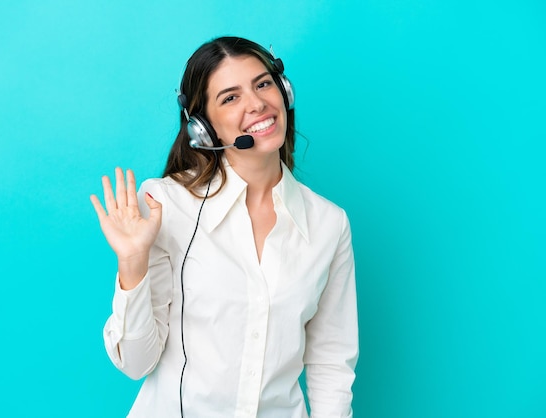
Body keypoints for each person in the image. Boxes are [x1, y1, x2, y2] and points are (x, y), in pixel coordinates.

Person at [90, 36, 358, 418]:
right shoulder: (168, 204)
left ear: (284, 91)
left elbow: (331, 360)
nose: (257, 104)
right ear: (203, 127)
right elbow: (136, 363)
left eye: (263, 84)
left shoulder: (329, 224)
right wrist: (132, 264)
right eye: (230, 98)